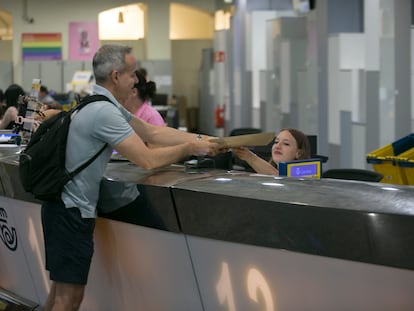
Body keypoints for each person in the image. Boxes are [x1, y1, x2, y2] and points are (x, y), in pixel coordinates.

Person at [41, 44, 221, 311]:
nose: (137, 81)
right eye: (132, 74)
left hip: (61, 208)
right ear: (115, 76)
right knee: (69, 300)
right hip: (71, 213)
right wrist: (189, 149)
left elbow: (152, 133)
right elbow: (147, 159)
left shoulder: (98, 103)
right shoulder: (104, 112)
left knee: (58, 296)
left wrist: (204, 139)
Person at [232, 128, 311, 175]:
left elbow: (281, 180)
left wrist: (249, 157)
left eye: (286, 144)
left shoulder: (306, 174)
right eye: (276, 142)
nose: (277, 146)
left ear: (299, 153)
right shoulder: (260, 170)